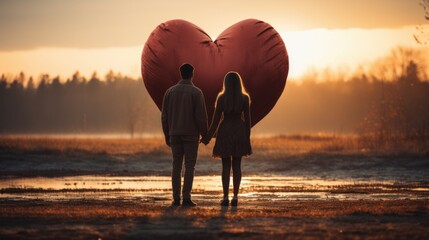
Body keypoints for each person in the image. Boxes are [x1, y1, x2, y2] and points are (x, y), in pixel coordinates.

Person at [202, 71, 252, 207]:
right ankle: (235, 197)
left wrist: (207, 136)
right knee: (237, 166)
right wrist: (247, 138)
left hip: (225, 131)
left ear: (226, 83)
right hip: (239, 131)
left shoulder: (221, 98)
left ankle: (225, 197)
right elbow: (248, 121)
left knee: (225, 166)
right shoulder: (245, 98)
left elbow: (216, 120)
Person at [161, 63, 208, 207]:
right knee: (189, 165)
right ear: (192, 74)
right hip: (191, 135)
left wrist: (166, 134)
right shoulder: (196, 92)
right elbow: (200, 116)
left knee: (176, 165)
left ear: (180, 73)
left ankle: (176, 198)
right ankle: (186, 197)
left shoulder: (169, 92)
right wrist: (205, 134)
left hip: (174, 133)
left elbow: (164, 116)